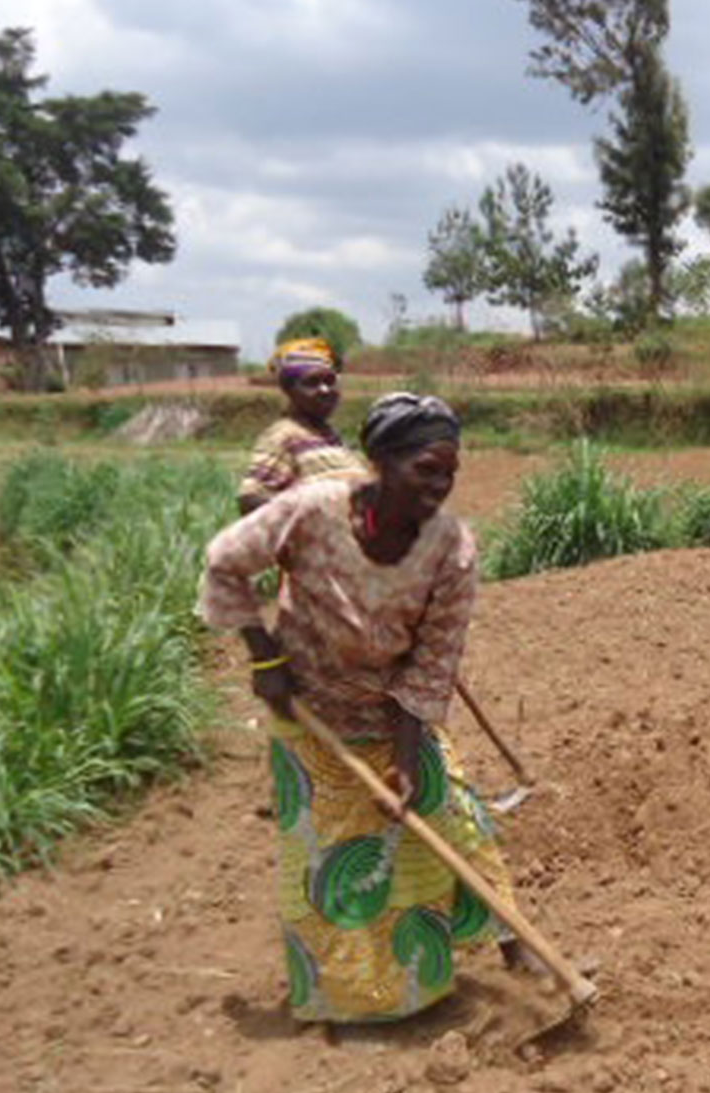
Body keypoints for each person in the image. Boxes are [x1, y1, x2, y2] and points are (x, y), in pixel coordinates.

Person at [200, 393, 540, 1023]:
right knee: (332, 860)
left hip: (391, 714)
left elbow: (432, 665)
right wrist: (265, 659)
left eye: (450, 472)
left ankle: (517, 957)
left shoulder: (453, 551)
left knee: (455, 823)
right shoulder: (309, 511)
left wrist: (407, 762)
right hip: (310, 711)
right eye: (425, 470)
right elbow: (225, 564)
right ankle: (353, 1004)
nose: (440, 486)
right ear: (381, 461)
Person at [237, 338, 365, 514]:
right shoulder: (284, 436)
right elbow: (251, 499)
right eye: (312, 382)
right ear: (289, 391)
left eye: (330, 381)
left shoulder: (331, 437)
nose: (325, 390)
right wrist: (313, 517)